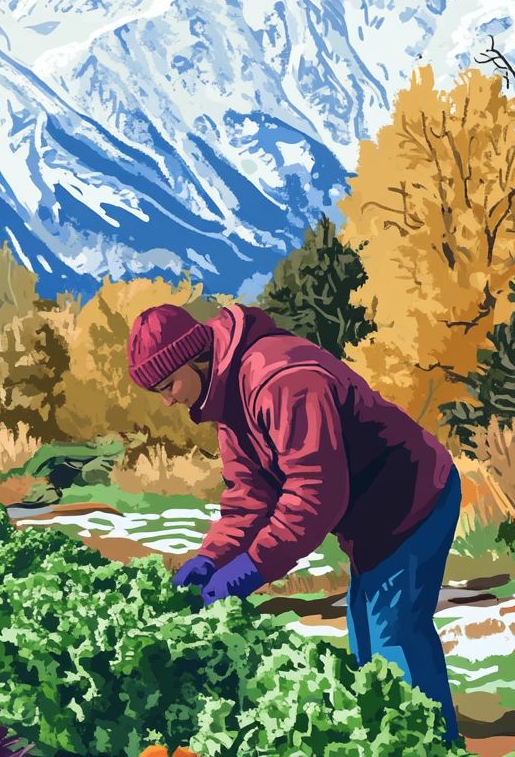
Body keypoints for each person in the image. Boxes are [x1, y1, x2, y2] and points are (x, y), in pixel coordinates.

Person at [127, 302, 461, 742]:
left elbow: (315, 493)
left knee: (393, 639)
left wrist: (252, 568)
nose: (168, 399)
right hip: (372, 518)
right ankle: (410, 740)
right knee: (368, 646)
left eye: (168, 384)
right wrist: (212, 557)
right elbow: (249, 498)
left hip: (412, 497)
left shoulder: (280, 377)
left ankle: (433, 746)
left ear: (196, 358)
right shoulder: (228, 398)